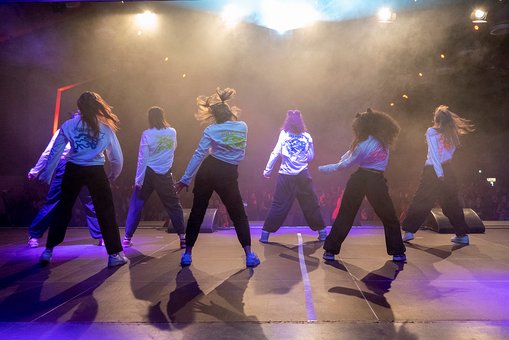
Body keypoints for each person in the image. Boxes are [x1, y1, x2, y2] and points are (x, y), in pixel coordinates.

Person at [38, 91, 127, 267]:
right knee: (106, 212)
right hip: (96, 171)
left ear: (79, 107)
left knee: (63, 210)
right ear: (97, 106)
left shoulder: (69, 125)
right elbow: (117, 158)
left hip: (73, 169)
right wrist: (112, 175)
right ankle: (114, 255)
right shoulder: (106, 128)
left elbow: (56, 152)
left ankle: (48, 251)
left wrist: (46, 175)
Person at [175, 87, 260, 268]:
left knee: (197, 212)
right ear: (229, 112)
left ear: (214, 116)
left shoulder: (211, 130)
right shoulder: (243, 127)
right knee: (238, 214)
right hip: (227, 174)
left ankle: (187, 254)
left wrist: (185, 179)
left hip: (208, 171)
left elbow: (199, 154)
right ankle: (249, 255)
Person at [319, 108, 406, 262]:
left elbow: (344, 164)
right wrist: (336, 162)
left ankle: (330, 250)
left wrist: (323, 169)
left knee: (347, 215)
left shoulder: (367, 143)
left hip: (364, 179)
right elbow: (347, 157)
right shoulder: (379, 140)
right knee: (389, 217)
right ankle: (397, 252)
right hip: (372, 179)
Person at [402, 105, 475, 245]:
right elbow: (449, 155)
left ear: (436, 119)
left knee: (421, 200)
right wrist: (444, 172)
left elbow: (435, 155)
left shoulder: (431, 131)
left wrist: (439, 174)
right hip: (447, 169)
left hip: (433, 171)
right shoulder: (453, 135)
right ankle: (462, 234)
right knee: (451, 202)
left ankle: (409, 232)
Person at [27, 117, 103, 248]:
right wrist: (36, 170)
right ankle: (34, 234)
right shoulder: (69, 127)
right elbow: (50, 151)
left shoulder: (91, 128)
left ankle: (101, 235)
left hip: (84, 165)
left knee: (89, 202)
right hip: (68, 165)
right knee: (55, 201)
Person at [260, 110, 327, 243]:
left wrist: (267, 170)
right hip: (302, 175)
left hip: (285, 176)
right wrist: (301, 158)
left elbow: (276, 152)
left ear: (288, 122)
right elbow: (311, 156)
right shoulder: (307, 136)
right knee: (311, 204)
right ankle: (323, 233)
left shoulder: (284, 134)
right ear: (301, 122)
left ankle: (265, 235)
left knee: (278, 205)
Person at [123, 106, 186, 248]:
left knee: (136, 205)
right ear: (163, 117)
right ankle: (183, 237)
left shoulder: (147, 134)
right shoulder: (172, 132)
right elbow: (173, 148)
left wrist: (138, 180)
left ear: (149, 119)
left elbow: (142, 158)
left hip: (149, 173)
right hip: (165, 173)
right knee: (174, 205)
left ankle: (127, 238)